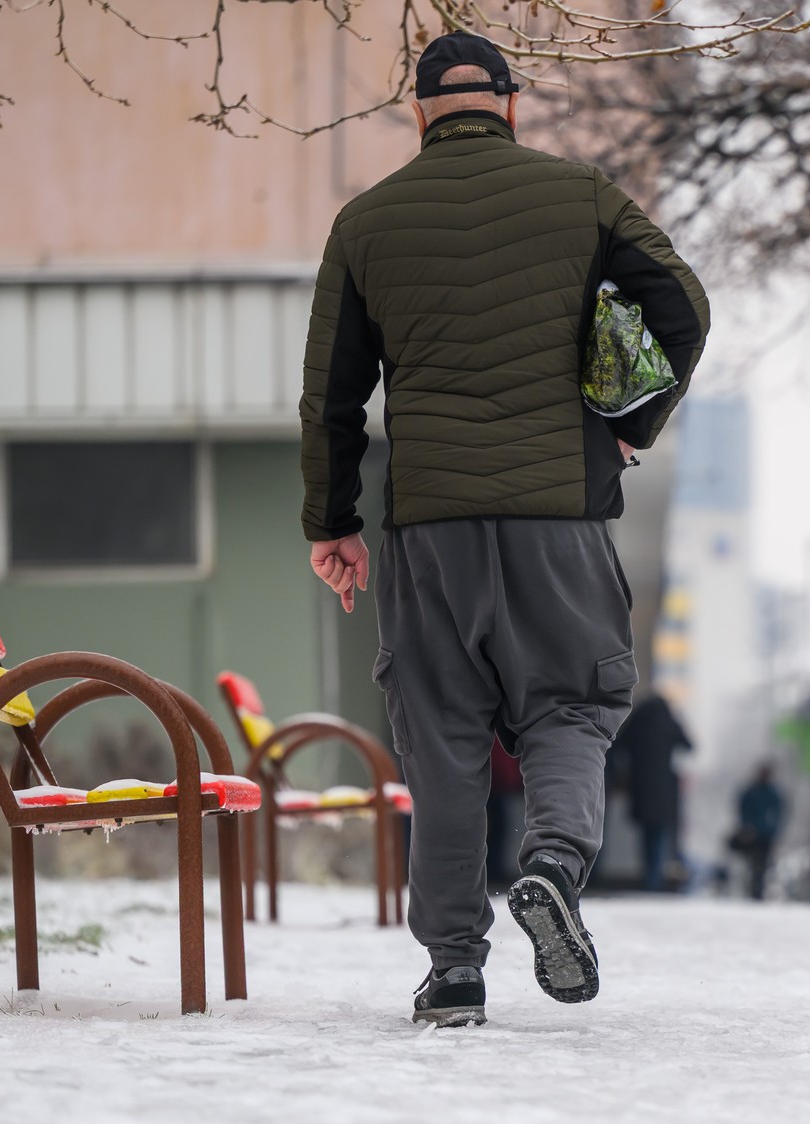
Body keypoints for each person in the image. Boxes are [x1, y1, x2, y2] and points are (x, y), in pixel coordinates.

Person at [299, 31, 709, 1028]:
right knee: (568, 708)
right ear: (511, 105)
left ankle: (452, 971)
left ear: (418, 114)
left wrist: (333, 521)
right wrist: (626, 426)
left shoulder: (366, 222)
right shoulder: (581, 194)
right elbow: (683, 306)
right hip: (559, 520)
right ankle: (555, 868)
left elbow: (332, 396)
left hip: (430, 528)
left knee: (441, 741)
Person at [610, 692, 692, 892]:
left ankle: (649, 876)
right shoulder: (669, 722)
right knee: (660, 834)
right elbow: (689, 746)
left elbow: (616, 746)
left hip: (640, 786)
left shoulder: (636, 722)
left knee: (646, 835)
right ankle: (654, 877)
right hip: (665, 790)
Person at [733, 764, 787, 901]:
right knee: (752, 864)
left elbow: (778, 814)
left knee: (762, 865)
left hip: (765, 837)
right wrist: (746, 827)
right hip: (752, 836)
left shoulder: (773, 794)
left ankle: (757, 891)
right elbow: (743, 811)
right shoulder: (751, 792)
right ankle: (752, 890)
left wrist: (773, 832)